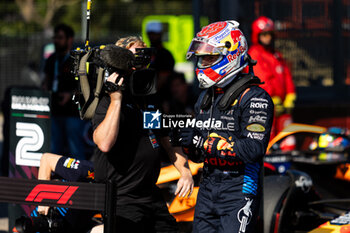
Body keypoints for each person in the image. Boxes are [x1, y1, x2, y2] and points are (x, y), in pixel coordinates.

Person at [92, 36, 193, 233]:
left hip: (150, 195)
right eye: (134, 57)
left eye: (144, 57)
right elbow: (104, 143)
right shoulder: (109, 101)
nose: (140, 64)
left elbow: (164, 137)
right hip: (122, 199)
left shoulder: (148, 96)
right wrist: (116, 99)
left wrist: (185, 170)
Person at [180, 20, 274, 232]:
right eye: (201, 58)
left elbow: (253, 149)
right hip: (208, 186)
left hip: (239, 188)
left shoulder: (254, 97)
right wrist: (188, 143)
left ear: (231, 55)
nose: (203, 63)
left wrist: (203, 142)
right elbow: (198, 154)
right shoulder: (205, 97)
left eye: (209, 58)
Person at [42, 24, 88, 160]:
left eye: (60, 37)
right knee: (55, 148)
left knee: (75, 149)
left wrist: (70, 95)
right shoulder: (51, 59)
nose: (56, 41)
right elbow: (46, 80)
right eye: (55, 37)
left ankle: (80, 179)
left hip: (73, 112)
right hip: (54, 110)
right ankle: (55, 178)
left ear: (69, 39)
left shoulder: (77, 59)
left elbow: (85, 87)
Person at [249, 16, 296, 145]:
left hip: (283, 108)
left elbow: (286, 76)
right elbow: (262, 79)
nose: (267, 37)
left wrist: (290, 95)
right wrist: (271, 99)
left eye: (270, 34)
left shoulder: (276, 55)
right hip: (265, 108)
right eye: (264, 34)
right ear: (257, 36)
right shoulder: (254, 54)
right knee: (267, 141)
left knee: (289, 140)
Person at [146, 21, 175, 101]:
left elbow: (163, 79)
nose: (152, 36)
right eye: (150, 33)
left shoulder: (166, 55)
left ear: (160, 34)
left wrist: (147, 92)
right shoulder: (146, 52)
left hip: (162, 98)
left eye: (155, 33)